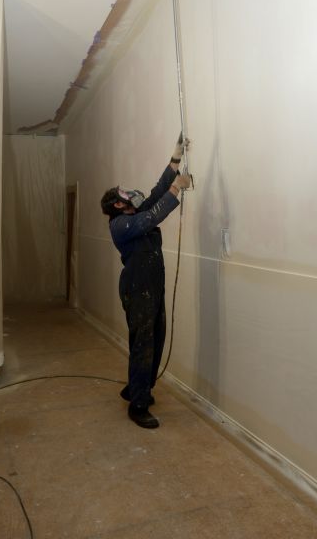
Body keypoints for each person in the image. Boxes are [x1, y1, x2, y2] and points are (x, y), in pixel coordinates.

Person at [100, 135, 191, 429]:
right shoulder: (120, 225)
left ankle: (136, 387)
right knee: (144, 344)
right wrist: (179, 188)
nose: (130, 195)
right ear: (117, 204)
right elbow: (153, 215)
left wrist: (175, 159)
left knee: (156, 338)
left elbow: (156, 193)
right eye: (123, 194)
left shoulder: (135, 212)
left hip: (152, 286)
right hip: (138, 289)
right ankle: (138, 404)